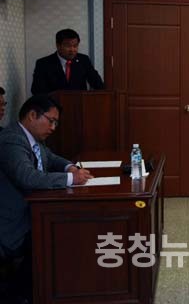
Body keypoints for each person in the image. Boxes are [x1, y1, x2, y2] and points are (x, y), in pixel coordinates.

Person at [0, 95, 94, 302]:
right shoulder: (12, 140)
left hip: (32, 212)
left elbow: (50, 158)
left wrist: (70, 167)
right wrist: (72, 179)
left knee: (68, 229)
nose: (53, 128)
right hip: (14, 222)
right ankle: (22, 294)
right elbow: (28, 177)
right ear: (32, 115)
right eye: (50, 121)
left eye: (56, 123)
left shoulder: (33, 139)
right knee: (59, 236)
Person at [31, 28, 104, 95]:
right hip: (53, 104)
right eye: (68, 46)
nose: (72, 50)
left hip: (80, 103)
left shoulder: (84, 60)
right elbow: (37, 91)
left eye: (75, 46)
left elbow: (98, 84)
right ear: (58, 46)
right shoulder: (43, 64)